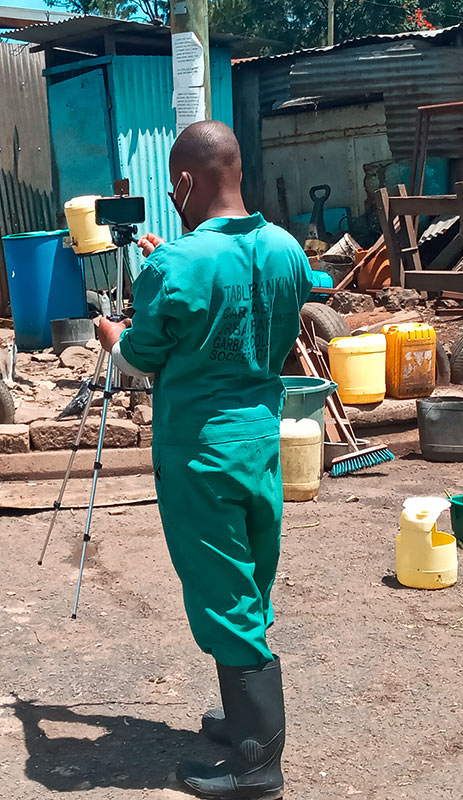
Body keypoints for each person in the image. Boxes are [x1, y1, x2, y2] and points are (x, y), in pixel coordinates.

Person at [96, 121, 310, 800]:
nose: (171, 196)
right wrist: (174, 262)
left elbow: (139, 356)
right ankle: (241, 721)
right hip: (260, 442)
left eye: (172, 186)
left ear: (185, 181)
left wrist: (112, 336)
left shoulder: (174, 267)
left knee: (222, 594)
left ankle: (258, 762)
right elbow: (245, 299)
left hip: (200, 453)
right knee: (249, 584)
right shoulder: (285, 248)